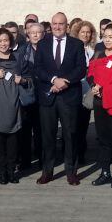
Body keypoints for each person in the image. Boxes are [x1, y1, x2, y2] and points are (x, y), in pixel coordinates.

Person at [32, 12, 88, 184]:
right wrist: (53, 80)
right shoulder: (42, 44)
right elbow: (38, 68)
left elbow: (81, 69)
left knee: (70, 135)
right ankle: (47, 171)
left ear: (67, 25)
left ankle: (71, 172)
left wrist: (66, 81)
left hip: (69, 96)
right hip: (48, 96)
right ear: (51, 25)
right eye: (55, 23)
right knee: (47, 135)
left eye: (61, 24)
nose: (57, 27)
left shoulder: (77, 44)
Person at [0, 28, 29, 185]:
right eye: (0, 41)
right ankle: (2, 172)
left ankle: (11, 171)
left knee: (13, 140)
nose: (3, 43)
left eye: (6, 40)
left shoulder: (18, 59)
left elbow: (28, 79)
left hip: (15, 104)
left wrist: (22, 80)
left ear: (11, 42)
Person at [87, 23, 112, 187]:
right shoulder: (98, 55)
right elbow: (90, 73)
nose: (107, 40)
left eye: (111, 37)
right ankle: (105, 172)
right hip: (99, 101)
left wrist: (104, 89)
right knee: (103, 139)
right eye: (105, 36)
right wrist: (94, 87)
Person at [18, 18, 44, 172]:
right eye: (32, 33)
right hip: (27, 93)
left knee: (41, 129)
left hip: (43, 94)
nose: (35, 35)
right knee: (25, 130)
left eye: (38, 33)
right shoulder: (23, 50)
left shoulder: (47, 49)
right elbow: (19, 70)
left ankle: (42, 158)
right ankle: (25, 160)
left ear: (43, 34)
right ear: (28, 35)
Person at [73, 19, 97, 166]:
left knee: (83, 123)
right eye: (83, 32)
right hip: (75, 89)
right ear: (77, 33)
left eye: (88, 32)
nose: (86, 34)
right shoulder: (73, 48)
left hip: (88, 91)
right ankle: (72, 152)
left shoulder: (93, 50)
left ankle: (81, 152)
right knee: (72, 124)